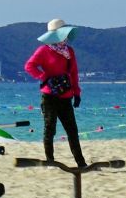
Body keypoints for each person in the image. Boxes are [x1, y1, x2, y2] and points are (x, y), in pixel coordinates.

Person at [23, 18, 88, 169]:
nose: (65, 37)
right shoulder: (43, 50)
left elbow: (74, 73)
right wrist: (43, 76)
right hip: (49, 96)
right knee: (49, 128)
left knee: (72, 130)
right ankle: (50, 160)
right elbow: (29, 66)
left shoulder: (69, 51)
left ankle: (81, 162)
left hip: (66, 96)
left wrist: (77, 93)